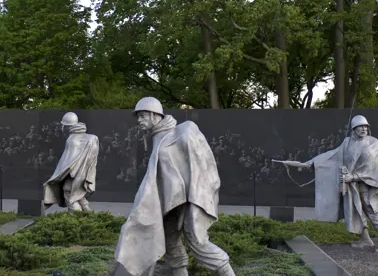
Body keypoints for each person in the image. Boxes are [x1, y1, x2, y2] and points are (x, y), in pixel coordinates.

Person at [114, 97, 235, 276]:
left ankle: (228, 273)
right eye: (138, 116)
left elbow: (201, 165)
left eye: (142, 116)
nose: (138, 120)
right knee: (170, 241)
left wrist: (194, 197)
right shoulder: (158, 138)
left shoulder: (182, 132)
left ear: (154, 115)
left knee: (197, 241)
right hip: (168, 203)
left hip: (187, 200)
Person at [283, 115, 378, 253]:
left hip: (366, 186)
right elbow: (332, 155)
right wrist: (310, 163)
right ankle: (365, 239)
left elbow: (372, 166)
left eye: (366, 126)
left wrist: (353, 177)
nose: (364, 129)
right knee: (357, 212)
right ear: (353, 129)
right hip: (352, 187)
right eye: (360, 126)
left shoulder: (374, 144)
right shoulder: (347, 142)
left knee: (371, 211)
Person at [43, 112, 99, 212]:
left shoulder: (72, 139)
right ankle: (89, 215)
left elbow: (68, 161)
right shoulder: (92, 138)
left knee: (69, 192)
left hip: (73, 174)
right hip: (85, 175)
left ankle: (76, 218)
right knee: (78, 195)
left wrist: (57, 176)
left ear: (66, 126)